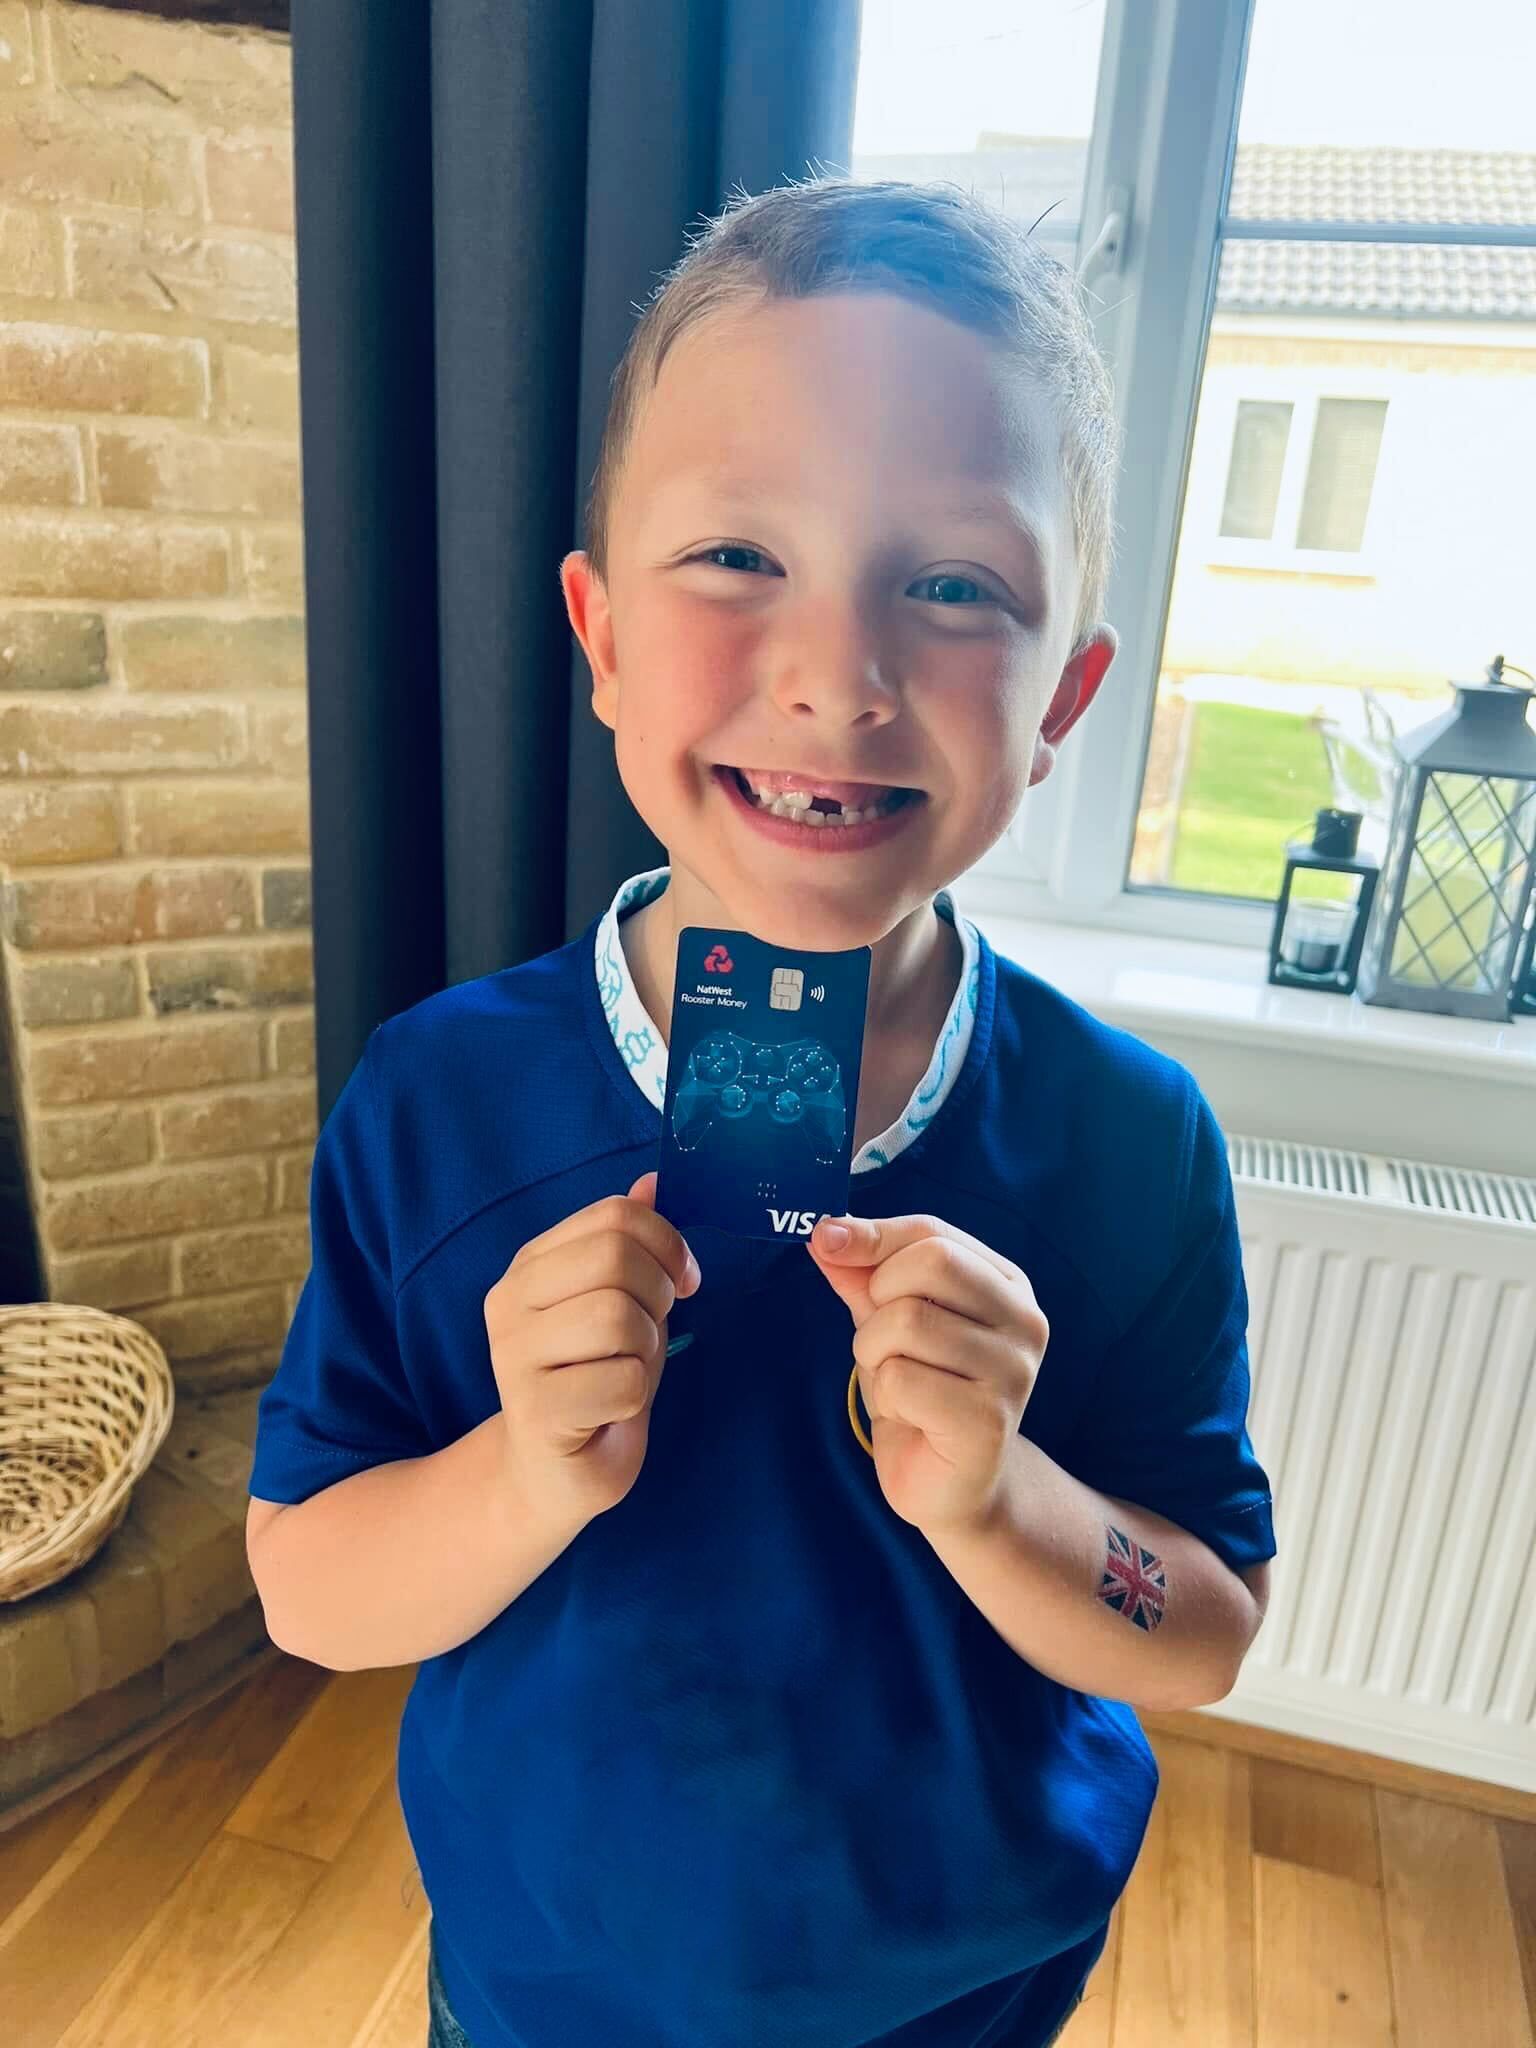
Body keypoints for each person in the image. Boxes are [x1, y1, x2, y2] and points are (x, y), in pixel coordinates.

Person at [246, 176, 1277, 2048]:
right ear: (602, 631)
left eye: (956, 585)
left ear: (1066, 700)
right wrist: (520, 1470)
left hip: (959, 2000)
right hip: (547, 1992)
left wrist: (1003, 1501)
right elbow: (307, 1583)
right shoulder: (438, 1098)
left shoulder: (1134, 1146)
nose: (836, 678)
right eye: (735, 558)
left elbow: (1199, 1623)